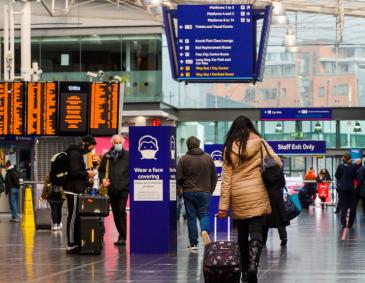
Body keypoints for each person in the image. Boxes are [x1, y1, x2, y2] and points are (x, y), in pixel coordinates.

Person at [218, 116, 281, 283]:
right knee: (256, 231)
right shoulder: (260, 142)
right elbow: (277, 162)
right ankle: (253, 266)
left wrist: (223, 206)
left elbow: (226, 179)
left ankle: (245, 271)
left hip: (238, 194)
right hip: (258, 191)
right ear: (250, 127)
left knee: (242, 234)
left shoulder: (228, 149)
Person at [177, 136, 217, 250]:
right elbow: (214, 176)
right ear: (199, 144)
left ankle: (193, 243)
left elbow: (179, 177)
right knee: (204, 214)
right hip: (205, 191)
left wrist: (180, 189)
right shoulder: (208, 158)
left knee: (191, 218)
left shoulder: (183, 159)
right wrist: (211, 190)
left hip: (189, 192)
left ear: (187, 145)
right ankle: (204, 231)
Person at [64, 135, 96, 254]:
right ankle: (71, 244)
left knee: (76, 217)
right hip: (73, 191)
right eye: (90, 148)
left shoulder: (77, 153)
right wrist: (88, 174)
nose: (90, 150)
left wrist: (87, 181)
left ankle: (75, 242)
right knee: (72, 217)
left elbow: (78, 175)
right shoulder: (75, 154)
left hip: (76, 189)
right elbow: (75, 173)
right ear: (85, 143)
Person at [99, 134, 130, 246]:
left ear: (123, 142)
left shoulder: (128, 155)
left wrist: (128, 183)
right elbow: (101, 170)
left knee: (121, 210)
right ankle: (120, 234)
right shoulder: (107, 156)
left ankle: (123, 236)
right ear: (112, 144)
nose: (118, 145)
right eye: (115, 143)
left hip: (123, 189)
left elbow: (133, 171)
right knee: (116, 213)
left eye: (119, 142)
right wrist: (103, 180)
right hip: (111, 189)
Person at [335, 153, 357, 228]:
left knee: (343, 206)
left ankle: (343, 223)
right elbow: (355, 177)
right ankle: (350, 223)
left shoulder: (340, 166)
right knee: (352, 207)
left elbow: (337, 176)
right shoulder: (354, 167)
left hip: (343, 189)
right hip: (351, 189)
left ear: (344, 158)